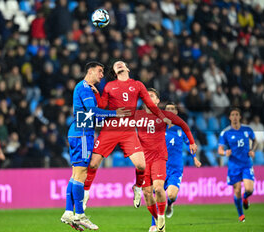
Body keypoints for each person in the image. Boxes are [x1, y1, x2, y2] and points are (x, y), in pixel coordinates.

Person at [83, 61, 172, 210]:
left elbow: (150, 104)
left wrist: (163, 116)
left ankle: (137, 187)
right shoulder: (110, 86)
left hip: (128, 130)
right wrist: (97, 94)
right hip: (110, 128)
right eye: (116, 64)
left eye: (121, 63)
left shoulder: (137, 85)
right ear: (114, 70)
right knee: (93, 164)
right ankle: (85, 193)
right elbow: (102, 105)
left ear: (127, 68)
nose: (118, 64)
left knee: (141, 165)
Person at [60, 61, 130, 231]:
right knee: (81, 173)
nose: (101, 75)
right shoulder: (84, 88)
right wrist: (115, 113)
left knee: (76, 173)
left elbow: (90, 115)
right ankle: (80, 215)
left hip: (81, 132)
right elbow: (93, 112)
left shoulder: (85, 88)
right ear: (90, 71)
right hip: (82, 133)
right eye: (99, 71)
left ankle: (69, 212)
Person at [135, 89, 198, 232]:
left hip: (162, 160)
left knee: (161, 190)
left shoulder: (164, 116)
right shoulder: (137, 115)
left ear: (157, 101)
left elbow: (184, 125)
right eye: (147, 96)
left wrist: (192, 143)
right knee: (147, 193)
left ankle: (161, 217)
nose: (149, 98)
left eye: (152, 96)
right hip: (145, 161)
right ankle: (157, 221)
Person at [149, 102, 202, 232]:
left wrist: (194, 158)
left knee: (171, 195)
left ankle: (170, 204)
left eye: (173, 109)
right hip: (160, 166)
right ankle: (154, 224)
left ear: (176, 112)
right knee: (157, 194)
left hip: (176, 168)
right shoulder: (158, 127)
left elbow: (191, 144)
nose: (171, 111)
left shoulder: (181, 129)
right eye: (168, 109)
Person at [218, 107, 257, 222]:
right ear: (230, 117)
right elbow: (219, 150)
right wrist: (225, 152)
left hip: (246, 164)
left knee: (249, 189)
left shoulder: (247, 130)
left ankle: (245, 199)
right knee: (237, 190)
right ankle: (241, 215)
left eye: (237, 115)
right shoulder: (225, 133)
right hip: (234, 166)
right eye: (232, 115)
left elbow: (255, 141)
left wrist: (252, 150)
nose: (235, 117)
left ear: (240, 117)